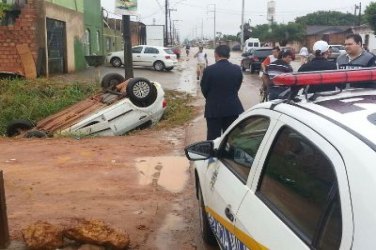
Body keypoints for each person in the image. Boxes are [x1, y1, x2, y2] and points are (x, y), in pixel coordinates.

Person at [200, 45, 244, 140]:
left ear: (216, 54)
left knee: (213, 138)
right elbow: (237, 86)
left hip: (213, 110)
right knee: (231, 138)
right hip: (232, 109)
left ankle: (213, 154)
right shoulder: (236, 69)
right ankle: (229, 155)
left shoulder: (209, 70)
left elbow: (204, 89)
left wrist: (212, 98)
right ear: (228, 55)